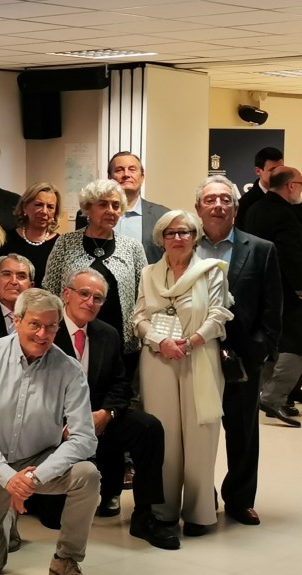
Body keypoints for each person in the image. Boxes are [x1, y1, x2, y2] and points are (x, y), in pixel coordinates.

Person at [0, 288, 98, 575]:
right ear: (17, 321)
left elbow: (85, 438)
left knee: (88, 475)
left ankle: (66, 559)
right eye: (35, 324)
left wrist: (34, 477)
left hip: (38, 462)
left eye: (51, 326)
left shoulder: (70, 370)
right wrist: (7, 477)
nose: (42, 334)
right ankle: (6, 517)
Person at [48, 268, 176, 549]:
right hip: (56, 427)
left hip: (98, 419)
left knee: (148, 427)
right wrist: (66, 424)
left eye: (97, 298)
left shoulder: (107, 334)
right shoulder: (47, 330)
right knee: (53, 519)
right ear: (66, 294)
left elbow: (120, 384)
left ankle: (145, 515)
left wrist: (107, 414)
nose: (90, 302)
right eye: (84, 293)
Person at [133, 211, 233, 537]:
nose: (178, 238)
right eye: (171, 232)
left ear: (195, 237)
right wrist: (160, 342)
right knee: (164, 436)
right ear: (161, 238)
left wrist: (191, 342)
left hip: (199, 355)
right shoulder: (148, 273)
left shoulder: (212, 271)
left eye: (185, 232)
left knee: (200, 435)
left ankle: (199, 512)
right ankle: (163, 511)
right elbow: (138, 317)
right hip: (158, 358)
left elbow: (219, 314)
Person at [195, 175, 282, 525]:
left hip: (243, 357)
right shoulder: (184, 246)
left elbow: (272, 306)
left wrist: (261, 349)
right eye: (210, 199)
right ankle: (200, 499)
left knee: (243, 431)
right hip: (195, 354)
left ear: (235, 206)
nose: (218, 205)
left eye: (225, 199)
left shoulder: (261, 249)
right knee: (198, 432)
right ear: (198, 208)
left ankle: (240, 499)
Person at [43, 179, 148, 372]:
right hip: (71, 339)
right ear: (88, 208)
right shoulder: (65, 243)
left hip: (120, 342)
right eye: (103, 204)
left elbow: (144, 296)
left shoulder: (133, 247)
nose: (111, 210)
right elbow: (50, 290)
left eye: (116, 205)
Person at [245, 166, 302, 426]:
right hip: (285, 289)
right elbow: (291, 255)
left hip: (258, 285)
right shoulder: (285, 214)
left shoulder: (255, 208)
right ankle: (273, 396)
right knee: (297, 344)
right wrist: (300, 287)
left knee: (273, 341)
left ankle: (264, 393)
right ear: (290, 185)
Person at [76, 152, 170, 264]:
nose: (126, 174)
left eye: (132, 169)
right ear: (110, 177)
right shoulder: (87, 214)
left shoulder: (162, 216)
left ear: (142, 177)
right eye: (119, 170)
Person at [0, 182, 62, 287]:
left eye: (50, 207)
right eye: (39, 205)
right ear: (25, 207)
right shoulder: (4, 239)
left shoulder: (61, 244)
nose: (44, 211)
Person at [235, 146, 283, 232]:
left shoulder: (289, 197)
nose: (278, 174)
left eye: (281, 169)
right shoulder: (245, 203)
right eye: (272, 170)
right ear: (258, 171)